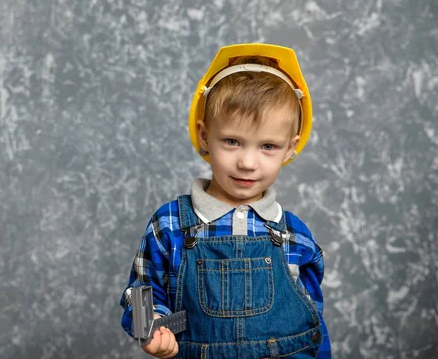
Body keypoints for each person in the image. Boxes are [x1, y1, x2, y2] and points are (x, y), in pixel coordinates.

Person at [120, 43, 331, 358]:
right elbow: (140, 293)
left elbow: (312, 322)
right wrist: (149, 328)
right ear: (205, 136)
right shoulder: (170, 224)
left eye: (268, 146)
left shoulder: (295, 235)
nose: (247, 162)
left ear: (290, 148)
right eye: (232, 141)